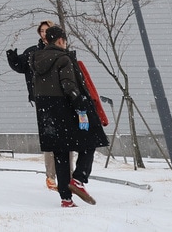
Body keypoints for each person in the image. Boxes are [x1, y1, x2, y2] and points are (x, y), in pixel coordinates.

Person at [32, 25, 107, 207]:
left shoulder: (35, 60)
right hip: (65, 110)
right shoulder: (63, 59)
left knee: (61, 154)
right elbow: (68, 86)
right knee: (91, 140)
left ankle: (66, 199)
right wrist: (81, 107)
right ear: (60, 40)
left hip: (46, 114)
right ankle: (79, 179)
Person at [7, 19, 72, 190]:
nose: (44, 34)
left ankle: (68, 176)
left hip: (62, 100)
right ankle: (51, 176)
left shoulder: (63, 52)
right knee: (50, 137)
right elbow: (21, 66)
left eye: (47, 30)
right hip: (43, 100)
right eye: (42, 31)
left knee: (66, 139)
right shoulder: (34, 52)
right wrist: (12, 58)